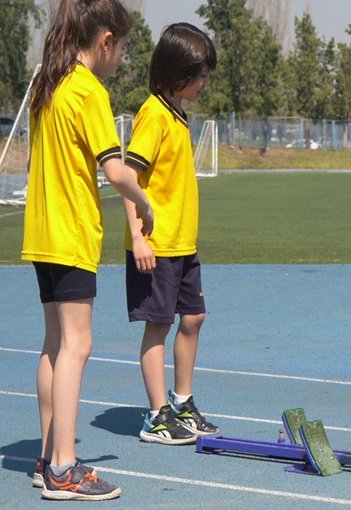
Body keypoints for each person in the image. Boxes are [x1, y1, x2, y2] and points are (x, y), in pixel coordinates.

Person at [22, 0, 154, 500]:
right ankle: (63, 468)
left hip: (40, 233)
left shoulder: (47, 84)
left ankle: (47, 457)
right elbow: (116, 170)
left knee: (54, 345)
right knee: (77, 344)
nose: (121, 58)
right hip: (71, 232)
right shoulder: (88, 91)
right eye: (121, 48)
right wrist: (145, 203)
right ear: (105, 40)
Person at [122, 23, 219, 445]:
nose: (205, 83)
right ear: (178, 74)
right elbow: (128, 178)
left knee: (193, 317)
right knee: (157, 326)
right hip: (156, 247)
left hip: (183, 244)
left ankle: (182, 402)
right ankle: (156, 416)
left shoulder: (176, 115)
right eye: (200, 75)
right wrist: (138, 238)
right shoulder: (153, 115)